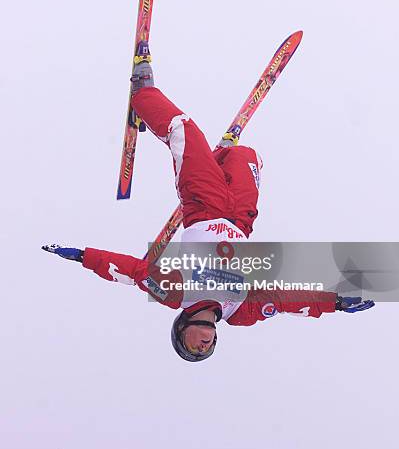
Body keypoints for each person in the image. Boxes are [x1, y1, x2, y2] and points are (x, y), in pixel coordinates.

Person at [42, 59, 375, 363]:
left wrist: (83, 256)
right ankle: (222, 158)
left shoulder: (174, 295)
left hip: (204, 205)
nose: (204, 346)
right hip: (241, 219)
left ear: (181, 330)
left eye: (192, 348)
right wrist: (335, 302)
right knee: (247, 155)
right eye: (208, 349)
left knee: (184, 131)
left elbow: (131, 272)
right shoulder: (239, 311)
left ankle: (144, 95)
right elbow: (288, 300)